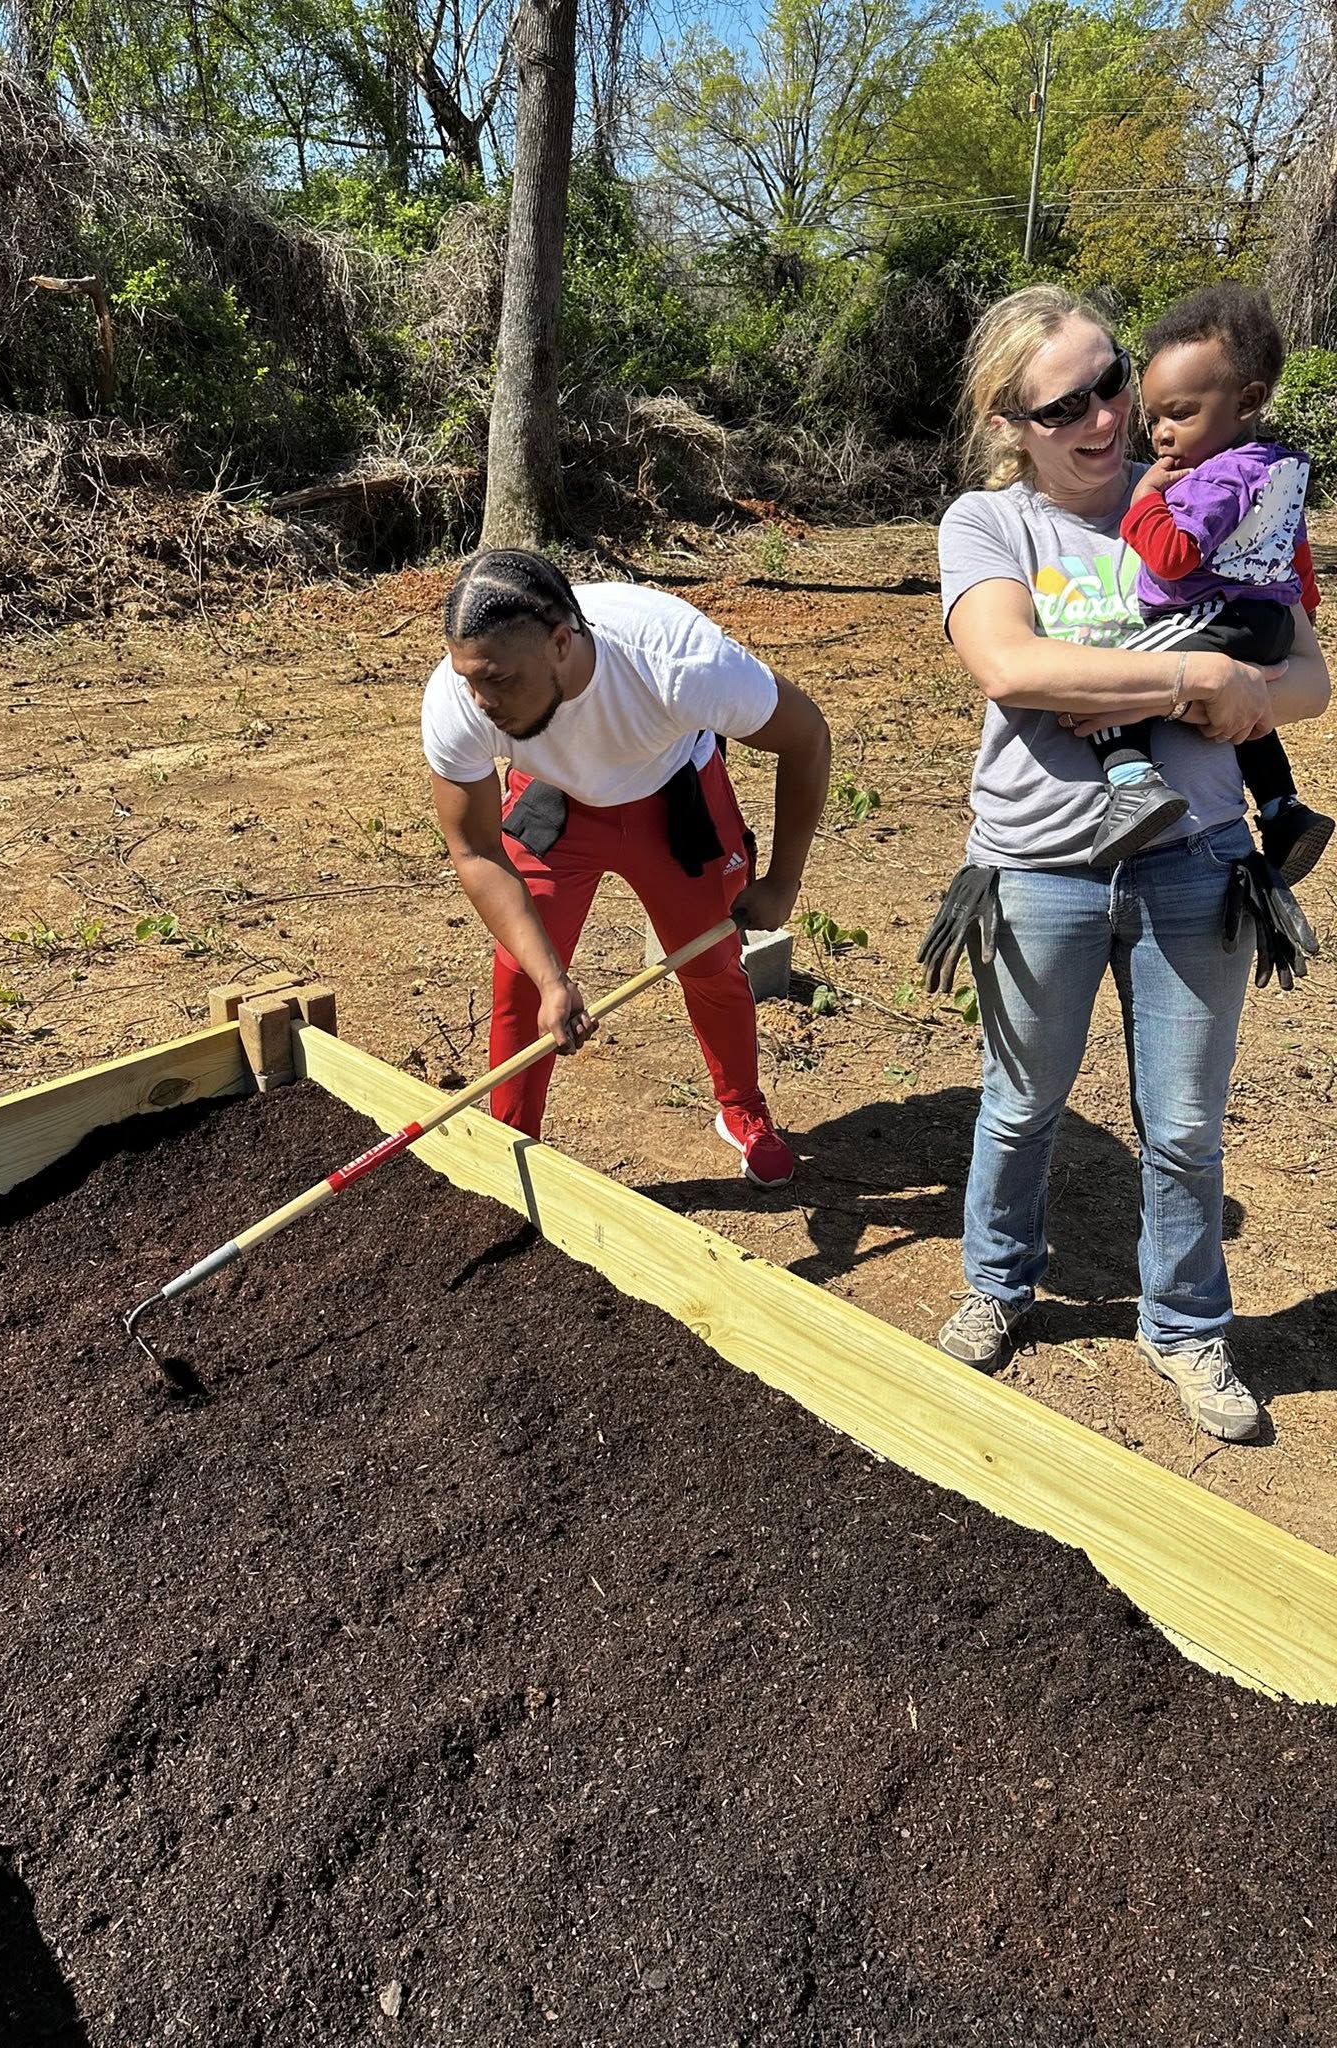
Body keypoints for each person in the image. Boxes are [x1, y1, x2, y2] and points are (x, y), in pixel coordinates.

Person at [924, 284, 1329, 1442]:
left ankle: (1187, 1323)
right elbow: (1009, 665)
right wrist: (1198, 681)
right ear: (1012, 420)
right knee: (1018, 1105)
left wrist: (1244, 687)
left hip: (1197, 859)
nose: (1107, 418)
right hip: (1038, 862)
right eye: (1069, 405)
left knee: (1189, 1122)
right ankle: (997, 1286)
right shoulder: (988, 526)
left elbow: (1304, 676)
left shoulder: (1226, 492)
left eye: (1114, 383)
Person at [422, 548, 831, 1186]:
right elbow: (475, 851)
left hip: (672, 796)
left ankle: (741, 1108)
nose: (480, 700)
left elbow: (806, 735)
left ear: (562, 642)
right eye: (469, 680)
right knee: (523, 975)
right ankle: (513, 1145)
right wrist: (554, 978)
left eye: (499, 681)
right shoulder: (462, 696)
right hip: (556, 800)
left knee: (709, 963)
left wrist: (782, 881)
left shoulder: (678, 660)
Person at [1079, 282, 1333, 878]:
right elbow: (1298, 562)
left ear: (1246, 400)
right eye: (1155, 417)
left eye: (1181, 413)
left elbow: (1170, 555)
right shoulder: (1275, 470)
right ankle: (1281, 808)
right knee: (1240, 716)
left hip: (1216, 615)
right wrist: (1298, 617)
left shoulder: (1217, 479)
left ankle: (1133, 781)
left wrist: (1143, 501)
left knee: (1113, 670)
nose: (1162, 433)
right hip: (1265, 622)